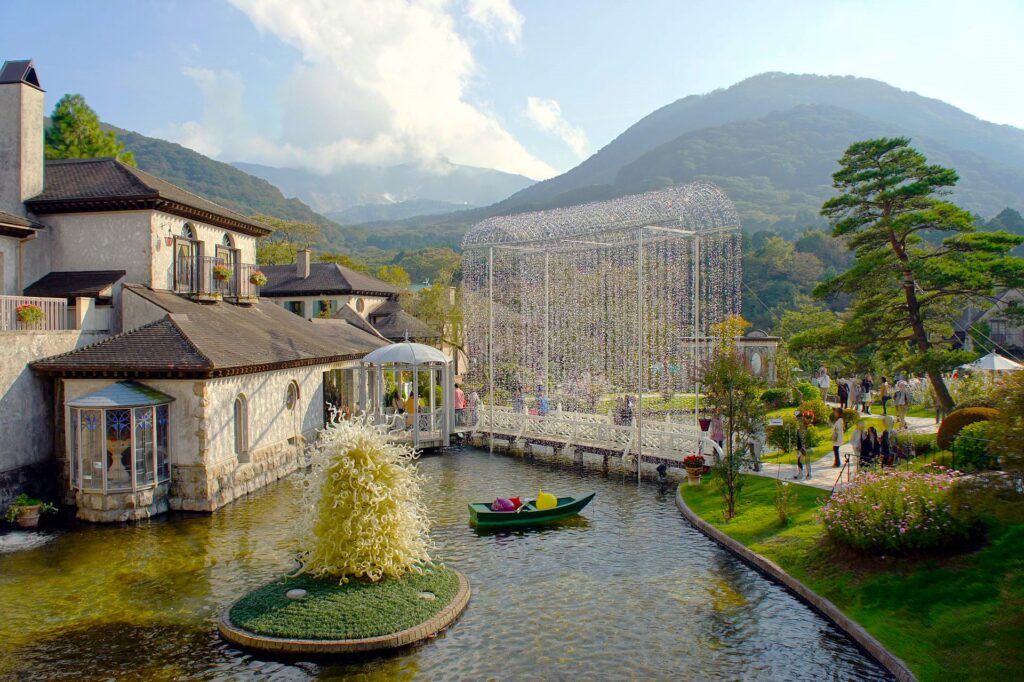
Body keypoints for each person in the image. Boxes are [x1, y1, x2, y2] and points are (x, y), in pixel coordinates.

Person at [794, 412, 811, 481]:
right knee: (800, 460)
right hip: (801, 446)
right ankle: (802, 473)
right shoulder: (801, 426)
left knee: (804, 460)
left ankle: (807, 474)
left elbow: (801, 438)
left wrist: (801, 447)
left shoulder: (802, 426)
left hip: (802, 447)